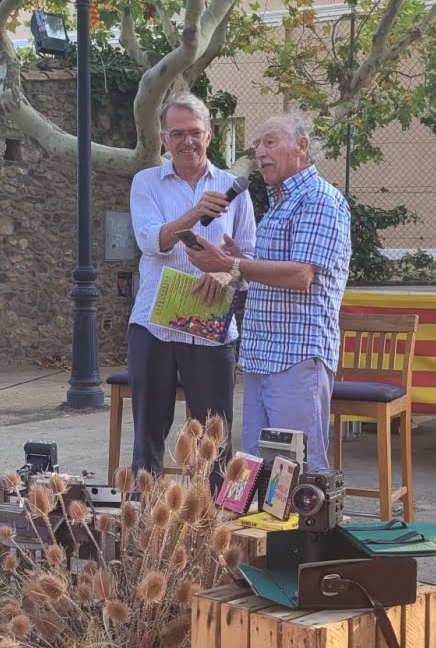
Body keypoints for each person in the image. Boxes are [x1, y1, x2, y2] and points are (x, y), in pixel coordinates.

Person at [185, 113, 351, 473]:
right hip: (261, 357)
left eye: (270, 142)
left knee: (297, 475)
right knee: (259, 477)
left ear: (302, 147)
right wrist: (237, 260)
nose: (259, 152)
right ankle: (270, 533)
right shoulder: (279, 204)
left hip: (296, 356)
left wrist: (234, 265)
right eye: (256, 144)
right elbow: (269, 275)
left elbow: (300, 275)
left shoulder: (318, 200)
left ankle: (305, 534)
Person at [127, 92, 256, 477]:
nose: (187, 141)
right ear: (164, 140)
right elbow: (153, 242)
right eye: (177, 133)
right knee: (149, 433)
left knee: (214, 436)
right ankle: (144, 518)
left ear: (210, 135)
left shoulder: (235, 188)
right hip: (154, 324)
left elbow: (248, 259)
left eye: (194, 132)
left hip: (211, 327)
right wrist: (197, 210)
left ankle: (213, 521)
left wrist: (225, 271)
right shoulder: (146, 182)